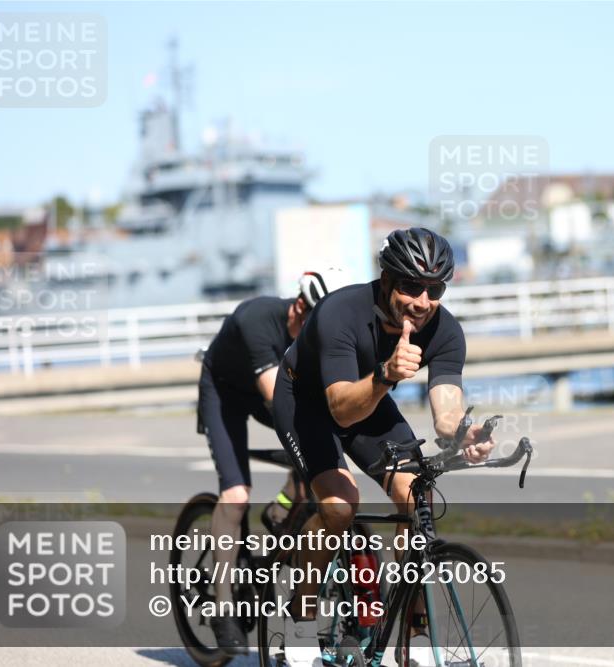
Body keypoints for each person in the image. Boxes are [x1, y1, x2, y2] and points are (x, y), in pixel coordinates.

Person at [272, 227, 495, 657]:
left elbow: (446, 410)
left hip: (369, 398)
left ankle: (414, 635)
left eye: (435, 289)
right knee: (339, 507)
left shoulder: (444, 331)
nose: (423, 301)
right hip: (307, 402)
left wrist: (463, 432)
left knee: (417, 498)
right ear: (387, 279)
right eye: (412, 286)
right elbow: (340, 409)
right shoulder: (340, 313)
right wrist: (386, 374)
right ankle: (301, 621)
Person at [197, 267, 351, 654]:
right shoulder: (257, 319)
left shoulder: (318, 335)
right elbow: (276, 398)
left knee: (313, 464)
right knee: (235, 495)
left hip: (270, 391)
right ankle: (223, 606)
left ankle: (281, 511)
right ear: (300, 307)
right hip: (226, 394)